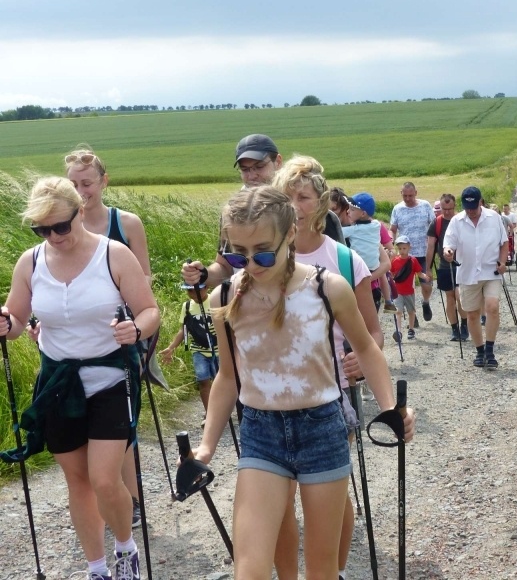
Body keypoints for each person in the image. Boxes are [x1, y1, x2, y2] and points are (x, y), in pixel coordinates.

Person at [194, 185, 415, 579]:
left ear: (291, 234)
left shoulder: (327, 288)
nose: (251, 264)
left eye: (263, 252)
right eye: (237, 254)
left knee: (321, 569)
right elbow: (228, 377)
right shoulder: (224, 297)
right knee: (249, 570)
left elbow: (366, 348)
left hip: (322, 430)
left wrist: (390, 408)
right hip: (261, 433)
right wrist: (206, 446)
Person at [0, 176, 160, 580]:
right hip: (59, 384)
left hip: (110, 378)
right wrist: (6, 323)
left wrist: (136, 329)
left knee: (104, 479)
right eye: (42, 230)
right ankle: (97, 568)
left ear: (79, 212)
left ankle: (125, 548)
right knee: (78, 481)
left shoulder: (114, 255)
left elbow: (149, 311)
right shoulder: (30, 262)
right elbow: (16, 319)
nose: (53, 237)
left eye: (60, 226)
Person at [271, 156, 392, 580]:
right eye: (287, 197)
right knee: (279, 502)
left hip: (332, 394)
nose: (294, 206)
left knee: (332, 499)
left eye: (303, 197)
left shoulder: (343, 260)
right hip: (273, 397)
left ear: (321, 203)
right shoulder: (265, 258)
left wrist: (362, 357)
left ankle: (333, 572)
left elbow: (372, 333)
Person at [65, 145, 155, 529]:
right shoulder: (63, 227)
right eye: (73, 184)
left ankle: (131, 500)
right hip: (78, 339)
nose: (80, 191)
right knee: (93, 423)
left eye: (86, 183)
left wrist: (126, 314)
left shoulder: (127, 223)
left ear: (104, 181)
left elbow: (145, 277)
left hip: (124, 334)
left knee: (122, 422)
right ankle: (111, 498)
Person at [183, 134, 344, 289]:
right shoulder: (234, 214)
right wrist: (203, 275)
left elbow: (336, 262)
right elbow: (225, 267)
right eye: (245, 169)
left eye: (259, 167)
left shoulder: (311, 215)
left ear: (278, 161)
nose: (252, 175)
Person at [442, 186, 508, 369]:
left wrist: (503, 262)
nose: (470, 211)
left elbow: (504, 243)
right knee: (472, 314)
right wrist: (448, 252)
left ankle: (490, 350)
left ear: (480, 202)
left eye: (473, 207)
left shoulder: (494, 218)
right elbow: (448, 244)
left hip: (491, 271)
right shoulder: (456, 221)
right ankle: (479, 351)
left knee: (492, 307)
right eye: (467, 207)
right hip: (468, 273)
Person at [158, 283, 217, 419]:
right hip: (198, 350)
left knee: (222, 381)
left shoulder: (215, 301)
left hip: (219, 350)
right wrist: (171, 347)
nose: (193, 293)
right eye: (189, 291)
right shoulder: (187, 306)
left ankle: (225, 410)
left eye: (196, 290)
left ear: (206, 287)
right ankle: (210, 414)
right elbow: (183, 330)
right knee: (203, 380)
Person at [390, 182, 435, 323]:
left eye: (410, 195)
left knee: (426, 285)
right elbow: (393, 229)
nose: (408, 198)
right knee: (406, 287)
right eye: (405, 195)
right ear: (401, 194)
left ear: (416, 193)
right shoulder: (397, 209)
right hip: (405, 255)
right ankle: (412, 314)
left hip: (423, 252)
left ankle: (425, 302)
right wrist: (391, 242)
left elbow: (433, 226)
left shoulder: (425, 206)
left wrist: (435, 243)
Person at [343, 192, 396, 312]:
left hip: (360, 271)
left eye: (352, 209)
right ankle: (388, 300)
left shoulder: (354, 229)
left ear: (363, 214)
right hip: (374, 266)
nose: (348, 211)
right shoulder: (376, 225)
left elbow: (338, 232)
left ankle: (388, 300)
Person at [426, 194, 468, 341]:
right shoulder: (436, 223)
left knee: (459, 296)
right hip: (445, 266)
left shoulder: (462, 220)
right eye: (444, 209)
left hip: (462, 265)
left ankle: (465, 324)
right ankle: (454, 328)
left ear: (455, 206)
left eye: (450, 209)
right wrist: (428, 268)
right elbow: (431, 246)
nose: (447, 212)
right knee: (450, 298)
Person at [391, 235, 430, 340]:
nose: (402, 251)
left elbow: (418, 272)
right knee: (398, 311)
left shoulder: (413, 260)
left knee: (411, 311)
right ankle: (398, 331)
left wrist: (425, 276)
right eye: (400, 248)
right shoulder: (395, 261)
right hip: (398, 292)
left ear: (409, 247)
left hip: (409, 291)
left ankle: (411, 329)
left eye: (404, 248)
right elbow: (392, 273)